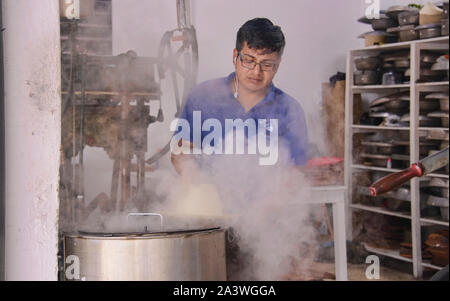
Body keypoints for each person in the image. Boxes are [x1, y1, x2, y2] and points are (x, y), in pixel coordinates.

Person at [171, 17, 308, 177]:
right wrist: (203, 192)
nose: (256, 72)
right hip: (209, 197)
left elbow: (297, 172)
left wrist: (270, 200)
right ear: (236, 56)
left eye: (267, 64)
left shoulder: (290, 110)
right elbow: (180, 153)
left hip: (271, 200)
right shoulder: (202, 97)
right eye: (249, 61)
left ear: (277, 65)